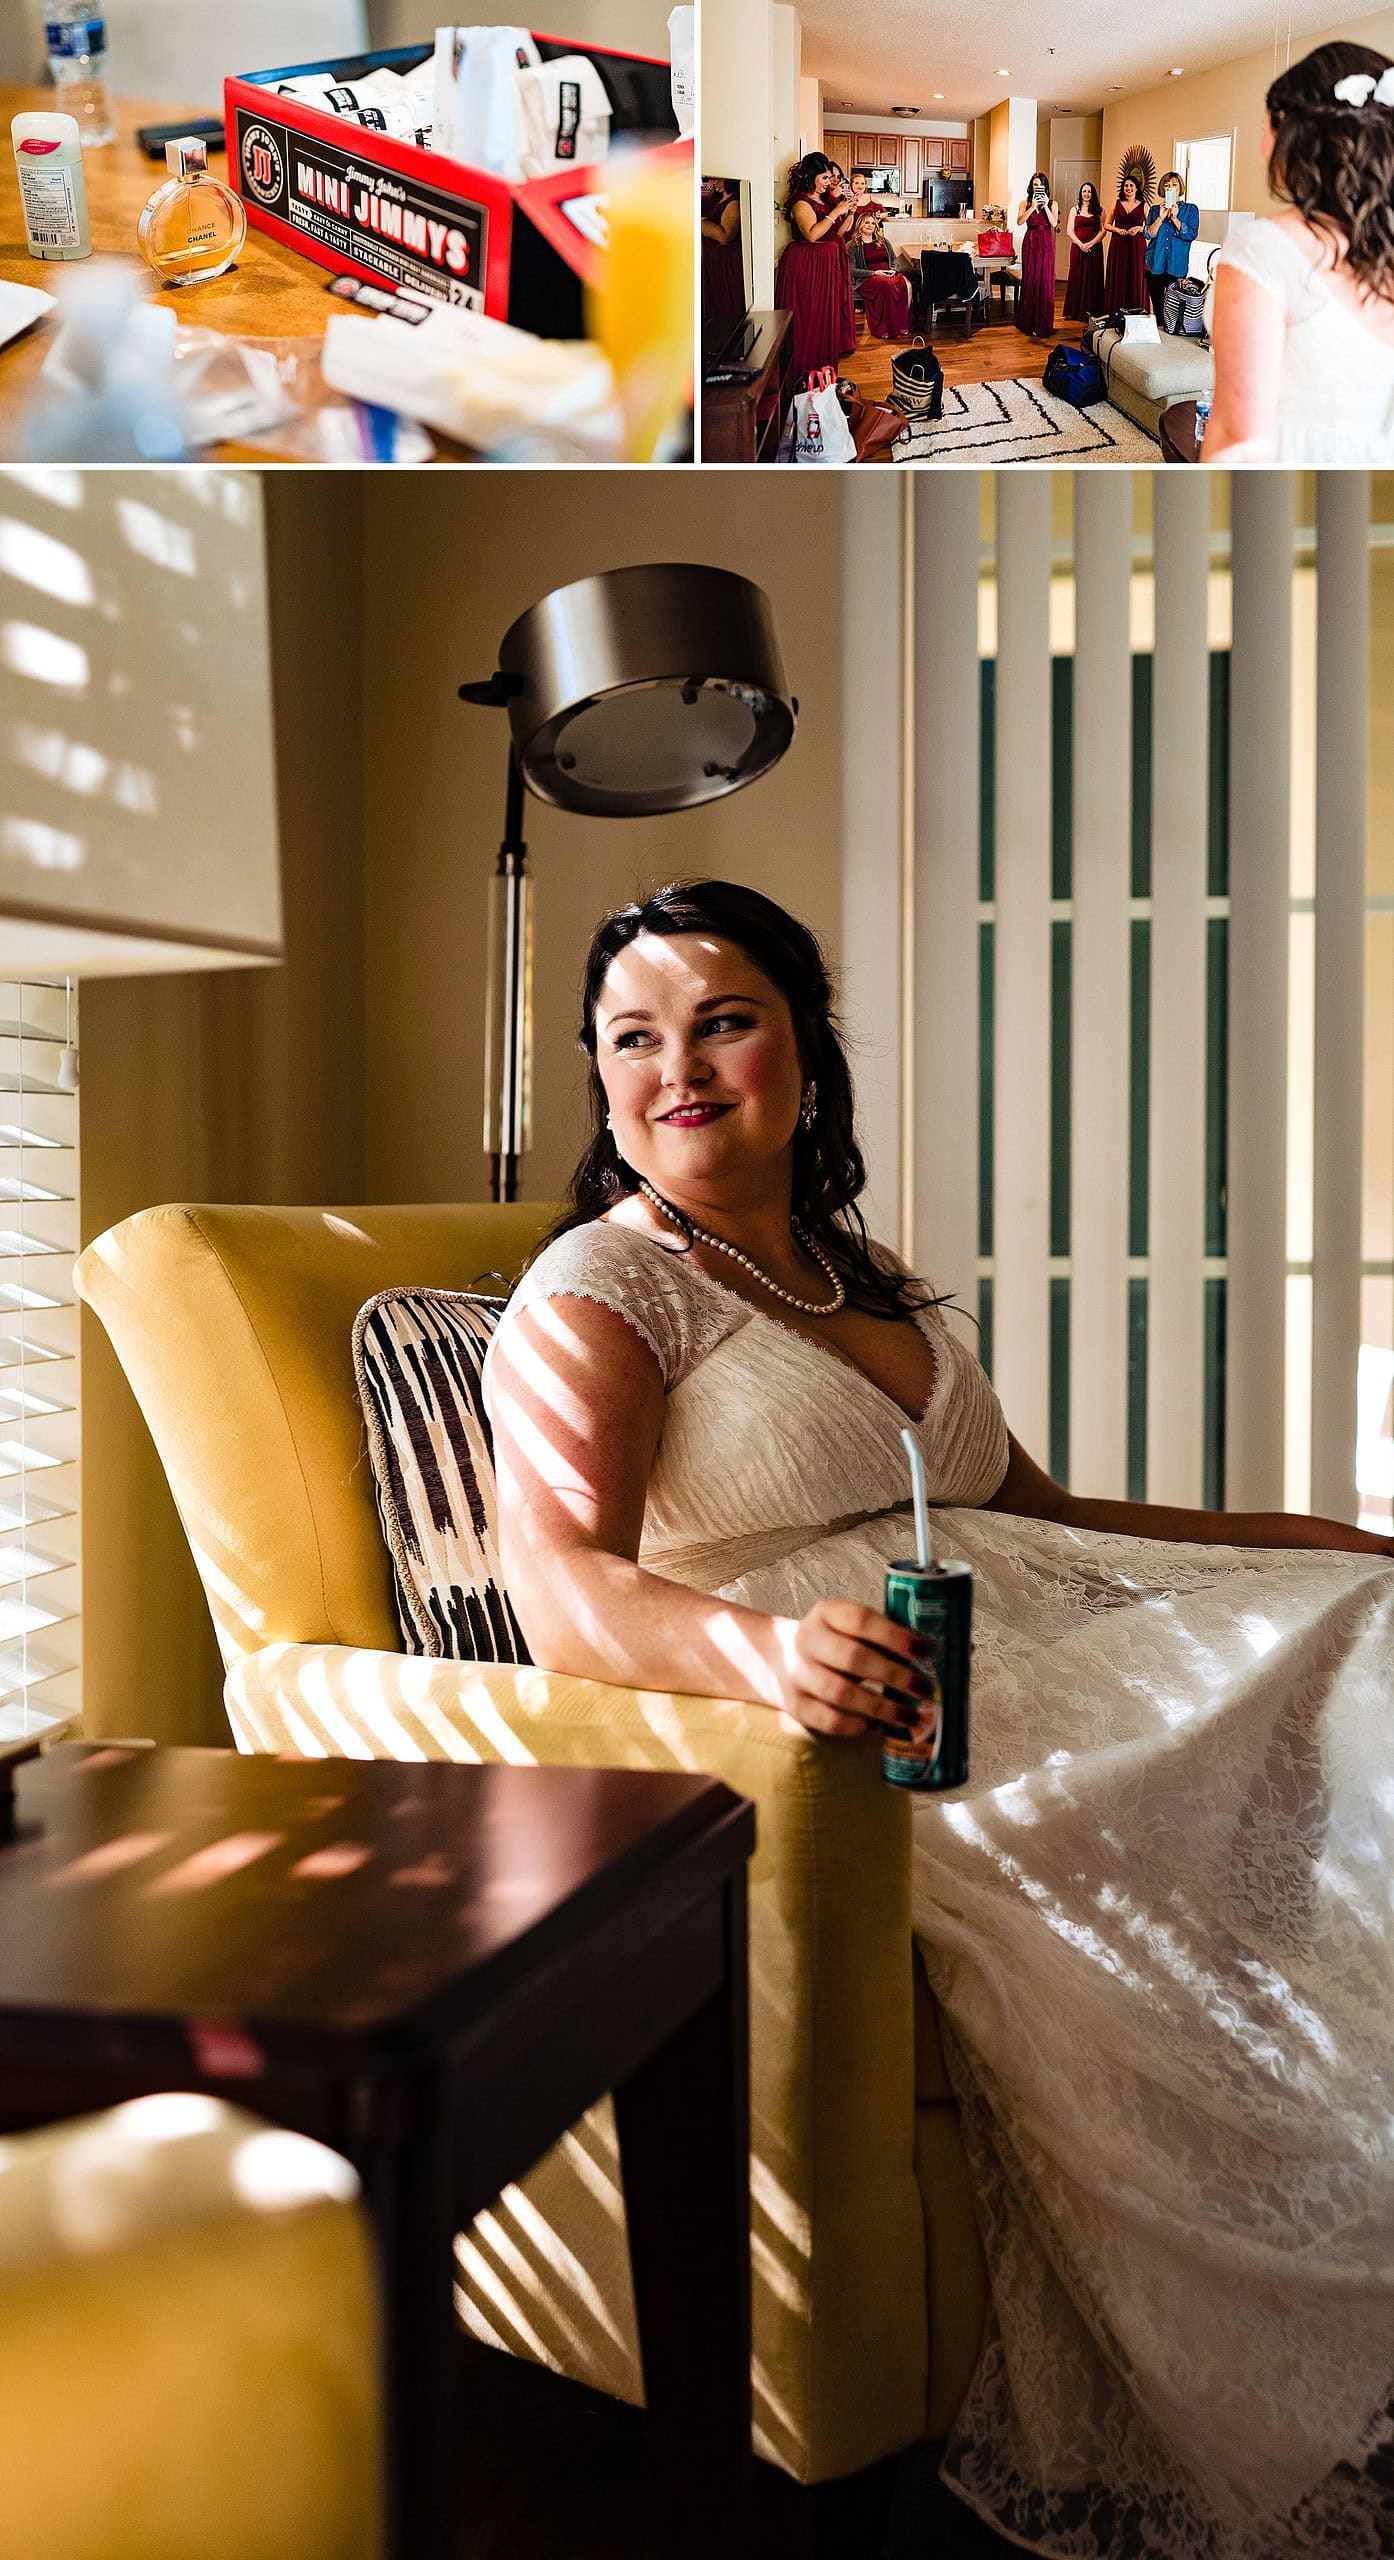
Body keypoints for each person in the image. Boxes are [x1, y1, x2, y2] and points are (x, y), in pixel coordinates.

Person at [485, 873, 1394, 2560]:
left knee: (1374, 1642)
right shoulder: (593, 1296)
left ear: (802, 1056)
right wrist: (765, 1664)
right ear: (597, 1080)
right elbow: (556, 1583)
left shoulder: (861, 1275)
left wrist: (1308, 1540)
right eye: (631, 1037)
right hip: (883, 1731)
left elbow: (1038, 1516)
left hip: (1052, 1646)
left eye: (723, 1020)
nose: (676, 1064)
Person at [1205, 39, 1394, 462]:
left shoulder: (1264, 250)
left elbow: (1239, 440)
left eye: (1264, 128)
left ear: (1295, 134)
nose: (1259, 146)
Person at [774, 152, 857, 384]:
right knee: (807, 318)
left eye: (830, 177)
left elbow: (839, 233)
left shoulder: (824, 200)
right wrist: (835, 212)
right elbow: (811, 234)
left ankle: (822, 375)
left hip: (826, 264)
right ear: (810, 176)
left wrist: (849, 212)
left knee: (824, 319)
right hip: (807, 265)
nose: (828, 182)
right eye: (824, 177)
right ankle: (802, 375)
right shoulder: (801, 201)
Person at [1145, 168, 1200, 324]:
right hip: (1154, 263)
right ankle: (1158, 336)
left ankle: (1172, 338)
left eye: (1174, 184)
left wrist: (1175, 218)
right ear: (1163, 189)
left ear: (1180, 188)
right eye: (1167, 185)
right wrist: (1160, 218)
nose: (1170, 187)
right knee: (1157, 305)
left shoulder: (1191, 209)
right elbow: (1148, 234)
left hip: (1177, 264)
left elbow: (1191, 234)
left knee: (1174, 305)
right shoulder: (1155, 210)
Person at [850, 207, 912, 339]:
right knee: (885, 285)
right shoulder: (852, 245)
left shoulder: (883, 241)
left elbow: (894, 259)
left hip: (888, 274)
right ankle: (883, 329)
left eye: (873, 223)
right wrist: (875, 273)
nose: (870, 225)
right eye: (867, 222)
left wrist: (893, 270)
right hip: (868, 278)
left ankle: (900, 325)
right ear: (860, 224)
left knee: (902, 283)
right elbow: (851, 270)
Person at [1015, 171, 1059, 337]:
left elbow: (1054, 223)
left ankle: (1043, 322)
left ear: (1045, 187)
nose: (1038, 187)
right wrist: (1033, 207)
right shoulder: (1024, 203)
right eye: (1035, 184)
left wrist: (1045, 205)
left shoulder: (1053, 204)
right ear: (1031, 186)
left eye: (1041, 184)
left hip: (1046, 242)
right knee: (1030, 279)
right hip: (1031, 241)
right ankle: (1028, 322)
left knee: (1045, 280)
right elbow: (1019, 221)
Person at [700, 178, 745, 335]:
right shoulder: (719, 198)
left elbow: (725, 236)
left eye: (716, 179)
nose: (713, 182)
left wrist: (702, 223)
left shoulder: (734, 203)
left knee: (725, 303)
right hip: (713, 262)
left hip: (725, 264)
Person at [1101, 171, 1149, 312]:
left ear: (1136, 188)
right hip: (1119, 244)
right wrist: (1117, 230)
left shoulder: (1144, 205)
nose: (1128, 188)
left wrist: (1139, 228)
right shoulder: (1116, 203)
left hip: (1137, 245)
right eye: (1126, 185)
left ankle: (1136, 310)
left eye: (1131, 185)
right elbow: (1106, 225)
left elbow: (1151, 228)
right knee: (1119, 276)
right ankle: (1115, 310)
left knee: (1136, 276)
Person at [1063, 179, 1107, 323]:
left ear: (1093, 194)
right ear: (1081, 194)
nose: (1087, 194)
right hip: (1078, 248)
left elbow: (1103, 231)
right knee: (1078, 277)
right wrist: (1081, 244)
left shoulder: (1100, 210)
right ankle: (1075, 311)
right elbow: (1069, 231)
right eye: (1084, 191)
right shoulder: (1074, 209)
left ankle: (1093, 310)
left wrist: (1091, 243)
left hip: (1095, 249)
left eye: (1089, 191)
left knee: (1093, 277)